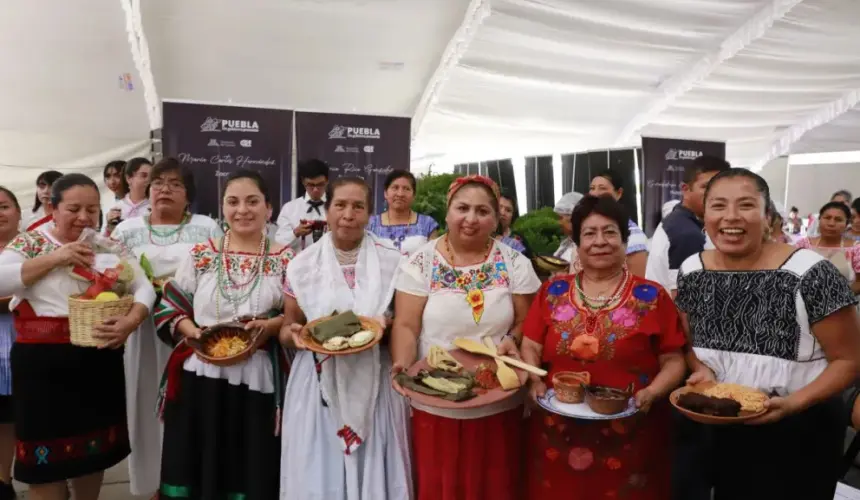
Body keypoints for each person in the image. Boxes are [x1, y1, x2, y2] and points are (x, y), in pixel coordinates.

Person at [677, 169, 860, 499]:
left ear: (769, 216)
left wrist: (791, 404)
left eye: (746, 205)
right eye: (718, 205)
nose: (731, 217)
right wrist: (699, 368)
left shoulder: (810, 272)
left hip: (796, 426)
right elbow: (688, 341)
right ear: (704, 215)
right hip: (712, 417)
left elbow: (849, 359)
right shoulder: (692, 270)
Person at [0, 173, 155, 500]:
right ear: (53, 209)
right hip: (42, 366)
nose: (84, 217)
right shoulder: (31, 242)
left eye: (92, 209)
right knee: (43, 458)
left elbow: (143, 287)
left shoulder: (106, 245)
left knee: (92, 451)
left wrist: (131, 320)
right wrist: (58, 257)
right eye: (74, 209)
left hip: (97, 356)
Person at [521, 195, 686, 499]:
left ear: (625, 241)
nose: (600, 241)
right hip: (558, 430)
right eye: (589, 233)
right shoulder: (553, 291)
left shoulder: (652, 296)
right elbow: (530, 345)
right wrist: (533, 378)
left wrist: (653, 392)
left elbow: (674, 360)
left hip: (631, 432)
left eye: (610, 232)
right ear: (577, 243)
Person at [391, 175, 541, 500]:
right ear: (447, 212)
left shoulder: (515, 263)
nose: (471, 219)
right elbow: (405, 325)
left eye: (482, 211)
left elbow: (528, 321)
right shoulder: (421, 263)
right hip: (436, 396)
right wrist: (402, 363)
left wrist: (513, 338)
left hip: (498, 396)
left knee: (496, 484)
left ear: (497, 217)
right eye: (462, 208)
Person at [154, 169, 291, 499]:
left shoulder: (287, 258)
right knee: (198, 459)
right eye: (233, 202)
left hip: (256, 377)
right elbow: (170, 306)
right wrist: (194, 333)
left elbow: (296, 316)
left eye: (252, 201)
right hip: (201, 372)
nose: (242, 210)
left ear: (269, 208)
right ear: (223, 208)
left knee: (247, 464)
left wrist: (270, 326)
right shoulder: (201, 254)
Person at [279, 178, 412, 499]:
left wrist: (386, 323)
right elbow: (287, 326)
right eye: (340, 205)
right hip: (318, 383)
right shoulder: (302, 265)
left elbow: (406, 323)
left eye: (358, 206)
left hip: (376, 379)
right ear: (327, 210)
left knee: (374, 463)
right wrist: (293, 335)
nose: (348, 214)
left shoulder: (392, 260)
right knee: (320, 470)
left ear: (370, 214)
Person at [109, 158, 222, 497]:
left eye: (175, 184)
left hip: (187, 333)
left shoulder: (207, 228)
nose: (164, 190)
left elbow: (216, 275)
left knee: (186, 405)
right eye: (158, 182)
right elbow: (110, 277)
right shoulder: (126, 230)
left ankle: (184, 482)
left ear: (189, 195)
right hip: (141, 331)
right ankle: (149, 485)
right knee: (143, 405)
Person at [645, 155, 729, 294]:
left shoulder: (683, 221)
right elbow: (684, 301)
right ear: (685, 189)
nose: (716, 194)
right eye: (706, 187)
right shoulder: (686, 233)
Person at [587, 171, 648, 276]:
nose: (595, 193)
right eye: (592, 188)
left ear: (619, 193)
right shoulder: (585, 227)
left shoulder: (634, 236)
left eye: (602, 188)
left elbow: (638, 283)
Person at [0, 187, 20, 500]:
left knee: (10, 416)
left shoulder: (35, 250)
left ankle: (5, 480)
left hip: (26, 341)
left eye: (4, 206)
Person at [795, 202, 860, 295]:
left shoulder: (856, 249)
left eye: (838, 219)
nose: (831, 223)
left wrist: (840, 299)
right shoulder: (804, 245)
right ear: (819, 219)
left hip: (845, 304)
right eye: (827, 218)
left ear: (847, 224)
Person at [367, 170, 439, 255]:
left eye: (406, 189)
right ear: (385, 193)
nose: (400, 194)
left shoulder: (427, 225)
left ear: (414, 195)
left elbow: (434, 260)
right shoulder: (371, 224)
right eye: (395, 188)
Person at [276, 159, 330, 253]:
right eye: (310, 185)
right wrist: (296, 232)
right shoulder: (290, 208)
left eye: (320, 184)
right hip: (297, 264)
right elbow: (278, 242)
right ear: (303, 182)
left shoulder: (337, 207)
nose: (316, 190)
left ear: (327, 181)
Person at [106, 158, 153, 236]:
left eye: (151, 177)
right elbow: (106, 240)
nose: (148, 180)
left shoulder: (154, 207)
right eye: (144, 175)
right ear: (128, 178)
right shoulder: (116, 207)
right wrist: (110, 227)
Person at [552, 191, 584, 262]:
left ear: (573, 218)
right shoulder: (567, 242)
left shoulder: (583, 246)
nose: (558, 222)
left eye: (560, 218)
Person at [496, 189, 529, 256]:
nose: (502, 213)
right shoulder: (481, 236)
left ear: (513, 216)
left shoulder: (519, 240)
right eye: (499, 207)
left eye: (508, 210)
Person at [101, 161, 127, 231]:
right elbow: (104, 231)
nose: (112, 182)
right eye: (108, 177)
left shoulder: (139, 200)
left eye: (118, 176)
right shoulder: (107, 201)